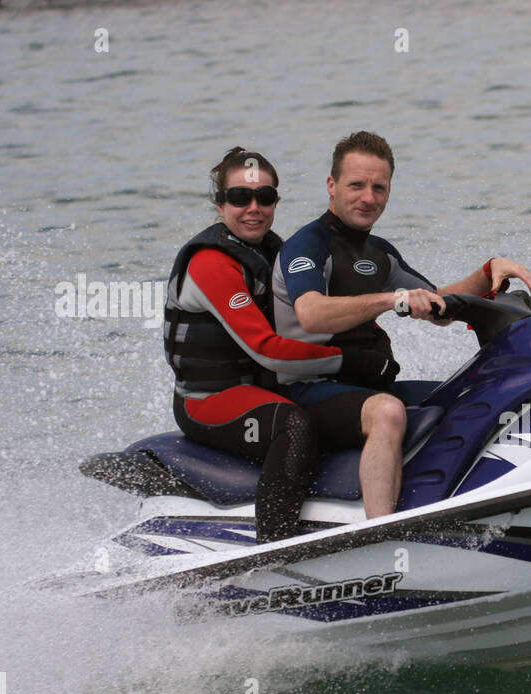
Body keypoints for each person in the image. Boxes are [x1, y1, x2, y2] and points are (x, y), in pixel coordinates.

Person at [271, 130, 531, 517]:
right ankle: (381, 535)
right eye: (357, 185)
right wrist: (390, 299)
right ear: (331, 185)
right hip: (307, 392)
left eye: (379, 187)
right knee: (388, 412)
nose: (369, 197)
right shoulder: (307, 246)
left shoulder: (379, 253)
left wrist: (488, 272)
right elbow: (311, 313)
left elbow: (436, 305)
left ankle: (484, 498)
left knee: (474, 396)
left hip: (366, 386)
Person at [163, 148, 385, 543]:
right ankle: (274, 548)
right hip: (209, 399)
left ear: (276, 202)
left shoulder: (272, 252)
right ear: (220, 205)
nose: (254, 208)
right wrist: (347, 360)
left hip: (264, 389)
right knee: (295, 425)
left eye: (265, 197)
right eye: (239, 198)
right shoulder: (212, 263)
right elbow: (266, 348)